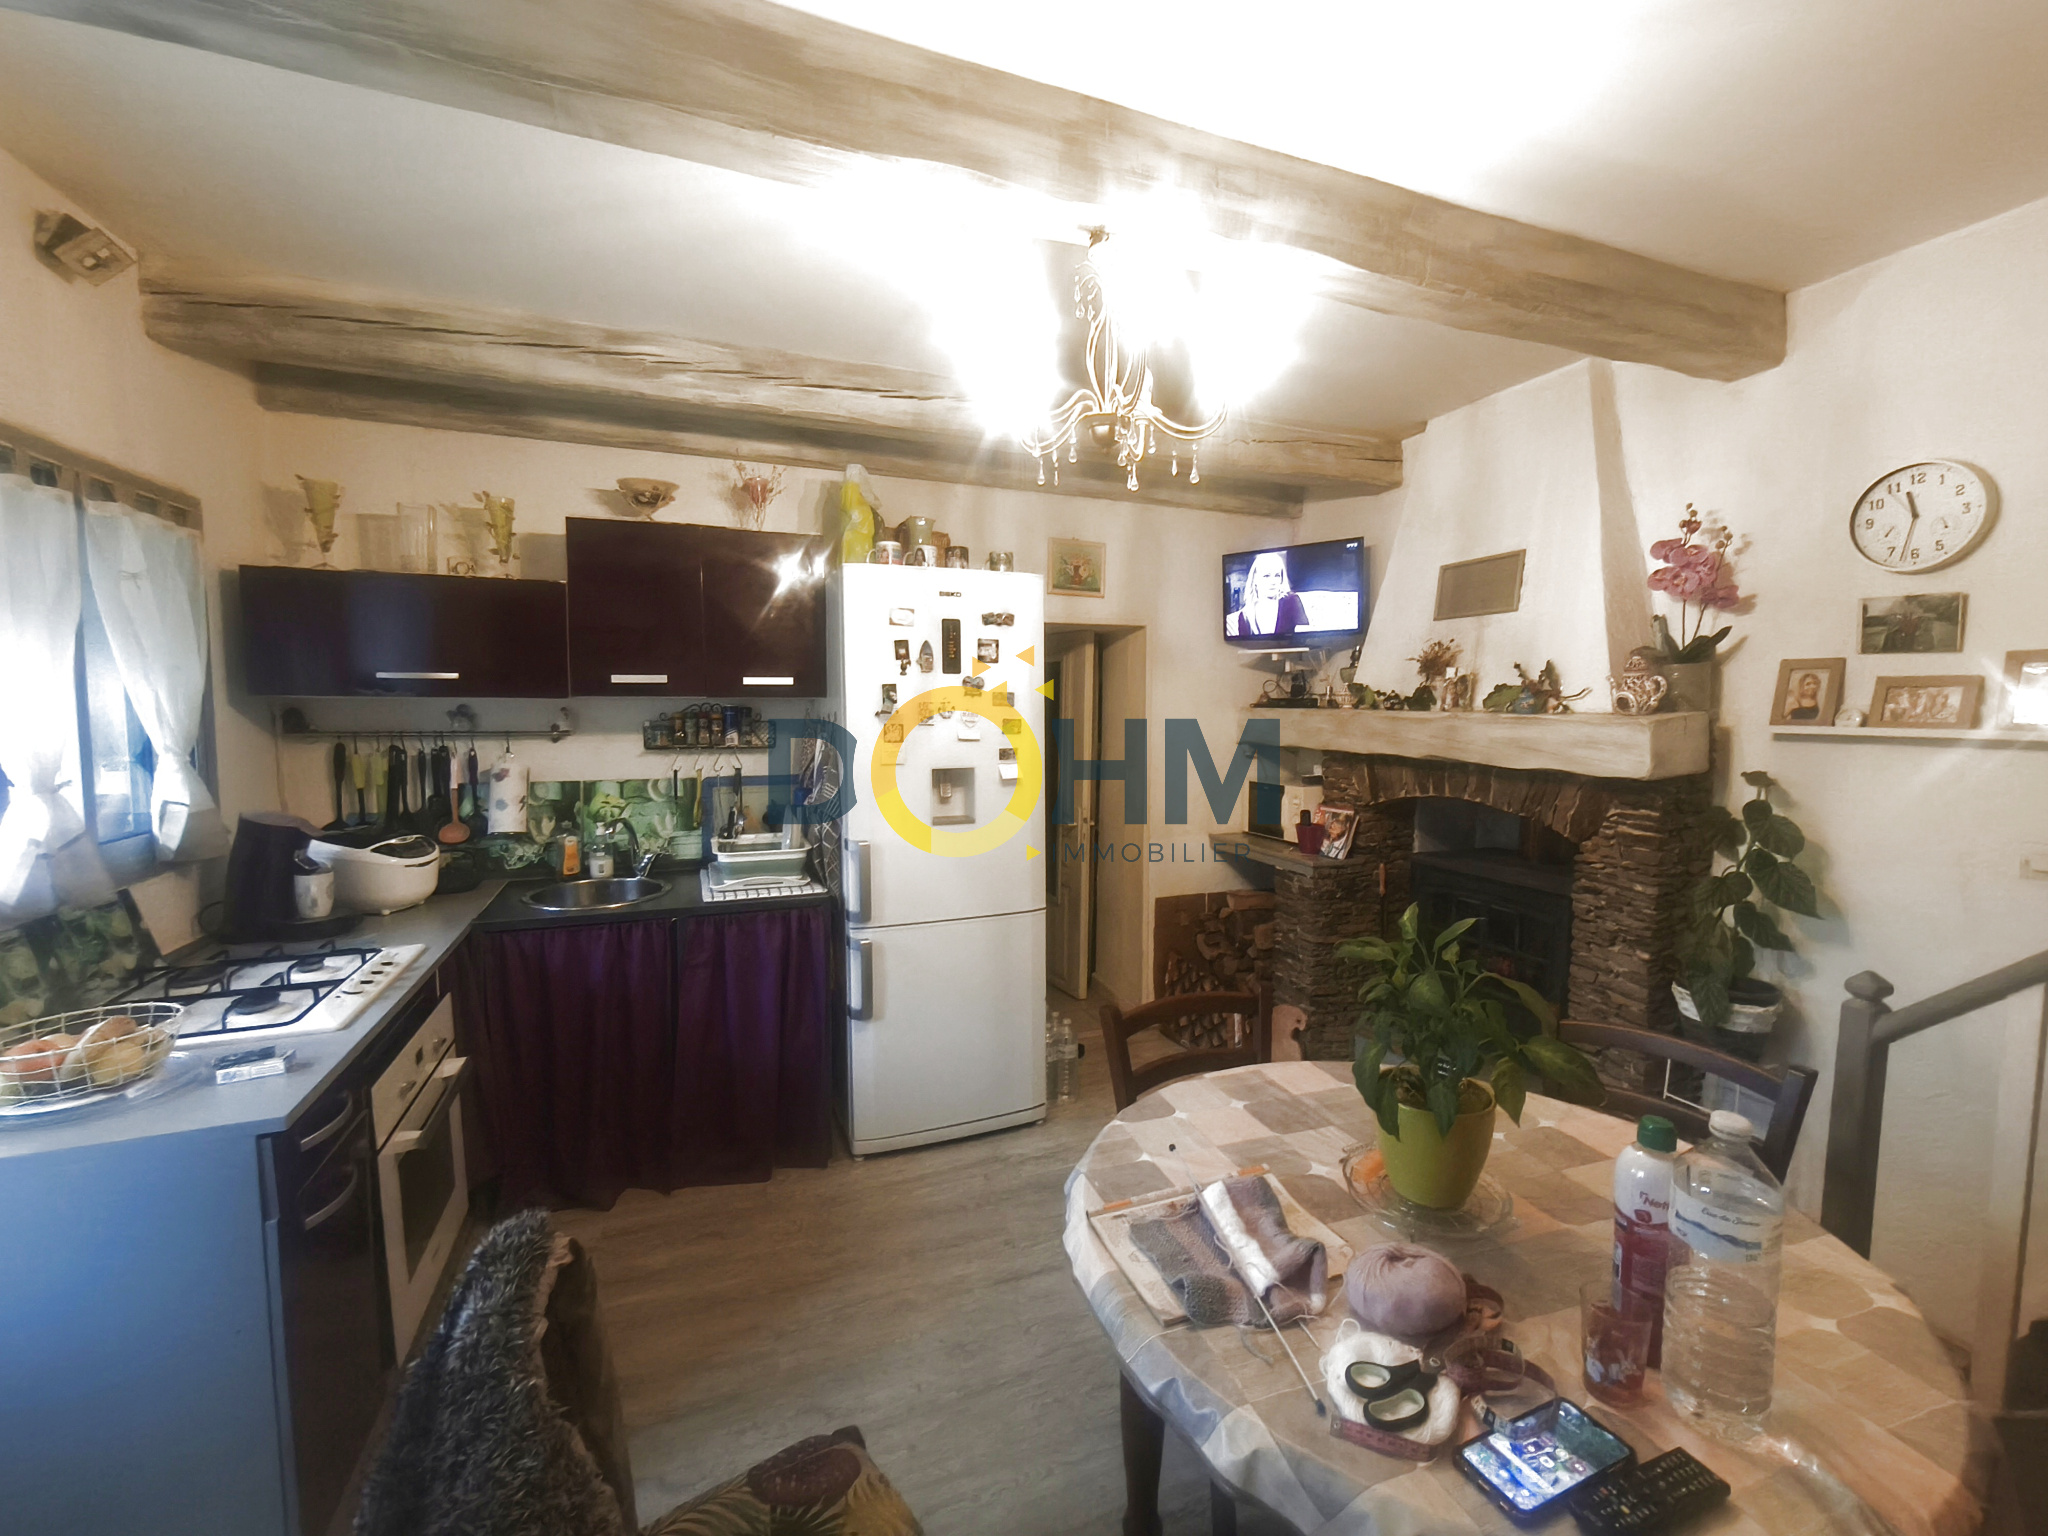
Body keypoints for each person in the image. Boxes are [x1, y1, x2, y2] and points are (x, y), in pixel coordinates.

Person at [1227, 551, 1310, 638]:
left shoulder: (1291, 601)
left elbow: (1304, 637)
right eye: (1266, 576)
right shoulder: (1245, 615)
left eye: (1277, 575)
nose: (1273, 582)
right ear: (1255, 579)